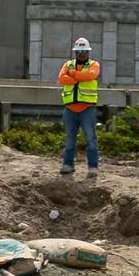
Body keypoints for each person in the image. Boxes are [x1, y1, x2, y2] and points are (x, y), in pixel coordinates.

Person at [57, 36, 100, 179]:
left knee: (90, 138)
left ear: (88, 52)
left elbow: (91, 75)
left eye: (84, 51)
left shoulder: (94, 64)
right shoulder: (68, 64)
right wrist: (79, 77)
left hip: (87, 109)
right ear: (75, 52)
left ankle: (93, 167)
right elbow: (61, 79)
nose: (81, 53)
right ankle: (67, 164)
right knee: (70, 139)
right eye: (79, 51)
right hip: (70, 109)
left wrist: (74, 75)